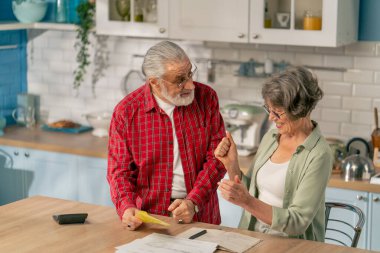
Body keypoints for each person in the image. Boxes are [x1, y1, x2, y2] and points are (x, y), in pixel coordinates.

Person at [107, 41, 226, 230]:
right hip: (149, 218)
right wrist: (126, 206)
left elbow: (218, 158)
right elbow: (119, 172)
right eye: (180, 80)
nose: (190, 84)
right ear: (154, 82)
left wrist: (193, 201)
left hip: (201, 213)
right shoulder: (126, 112)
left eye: (190, 73)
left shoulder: (207, 98)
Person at [215, 66, 333, 241]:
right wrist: (232, 164)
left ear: (300, 110)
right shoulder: (271, 137)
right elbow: (251, 191)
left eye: (277, 113)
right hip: (252, 237)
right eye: (268, 109)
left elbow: (297, 222)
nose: (271, 118)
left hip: (292, 245)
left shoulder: (319, 154)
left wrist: (246, 201)